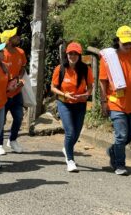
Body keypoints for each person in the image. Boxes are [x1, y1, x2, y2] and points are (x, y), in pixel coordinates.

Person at [100, 25, 131, 176]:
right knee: (121, 135)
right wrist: (103, 102)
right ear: (117, 41)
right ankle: (119, 164)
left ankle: (113, 150)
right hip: (116, 102)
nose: (128, 46)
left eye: (130, 43)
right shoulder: (109, 58)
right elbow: (103, 81)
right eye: (124, 43)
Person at [50, 42, 93, 172]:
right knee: (70, 132)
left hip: (80, 103)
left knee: (77, 132)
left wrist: (86, 95)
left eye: (75, 54)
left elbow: (90, 86)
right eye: (70, 53)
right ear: (66, 54)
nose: (72, 56)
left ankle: (67, 148)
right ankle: (70, 160)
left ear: (79, 55)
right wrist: (64, 94)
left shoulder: (86, 69)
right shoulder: (60, 69)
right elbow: (52, 88)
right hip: (64, 103)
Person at [0, 27, 27, 154]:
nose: (18, 37)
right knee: (1, 120)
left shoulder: (21, 52)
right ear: (9, 40)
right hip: (3, 94)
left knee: (19, 117)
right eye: (15, 36)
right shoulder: (0, 53)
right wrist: (7, 84)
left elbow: (23, 68)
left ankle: (12, 140)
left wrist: (19, 78)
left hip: (17, 92)